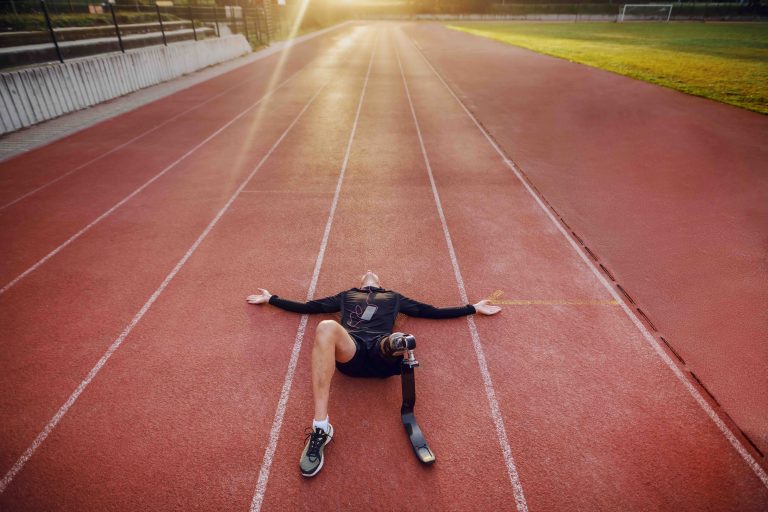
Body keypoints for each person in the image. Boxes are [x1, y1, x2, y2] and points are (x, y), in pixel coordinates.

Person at [246, 270, 501, 477]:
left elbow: (430, 311)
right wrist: (272, 299)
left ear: (379, 282)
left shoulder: (394, 297)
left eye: (373, 272)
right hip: (352, 352)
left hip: (382, 353)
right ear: (361, 282)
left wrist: (472, 308)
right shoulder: (347, 296)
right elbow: (309, 306)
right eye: (366, 273)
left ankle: (398, 345)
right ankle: (321, 428)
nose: (369, 271)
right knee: (325, 326)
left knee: (397, 340)